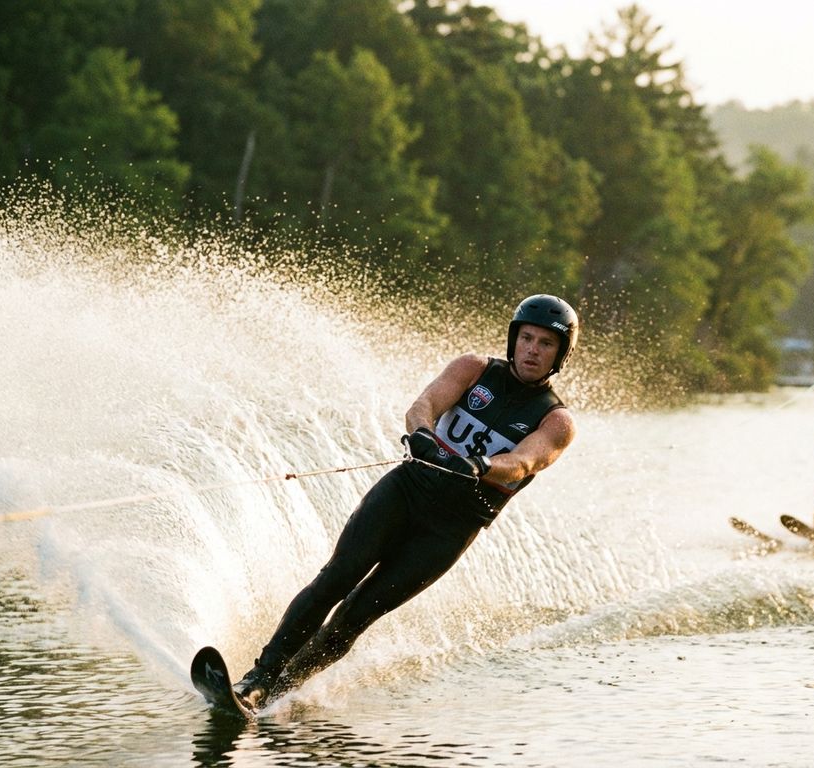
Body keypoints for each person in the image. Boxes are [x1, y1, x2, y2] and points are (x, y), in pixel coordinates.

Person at [233, 294, 579, 709]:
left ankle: (277, 692)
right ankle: (259, 677)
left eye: (545, 344)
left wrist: (482, 465)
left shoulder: (556, 421)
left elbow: (522, 463)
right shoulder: (474, 368)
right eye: (526, 338)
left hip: (450, 528)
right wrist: (421, 433)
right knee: (337, 578)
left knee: (357, 614)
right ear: (514, 339)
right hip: (407, 490)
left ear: (560, 354)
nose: (532, 350)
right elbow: (424, 406)